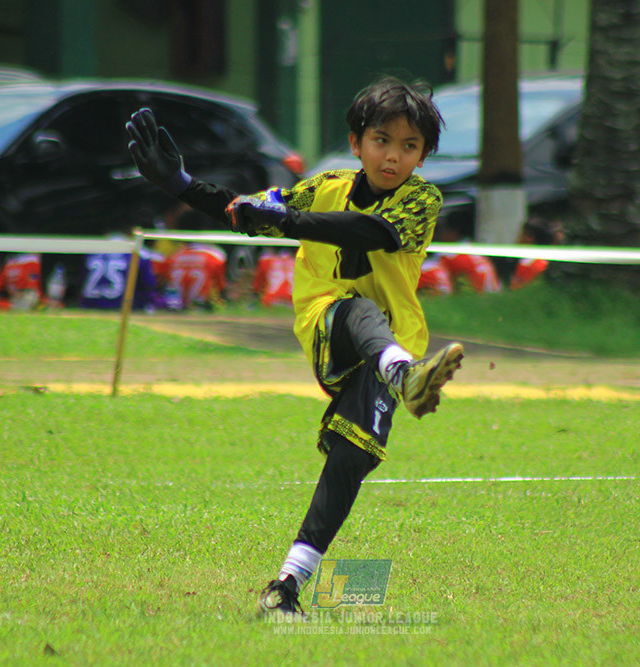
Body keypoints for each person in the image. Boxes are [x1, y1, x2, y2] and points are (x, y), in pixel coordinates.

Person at [126, 76, 465, 618]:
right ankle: (405, 374)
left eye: (409, 146)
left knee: (351, 458)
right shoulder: (322, 185)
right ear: (356, 143)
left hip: (388, 346)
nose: (394, 156)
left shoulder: (422, 198)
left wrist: (287, 219)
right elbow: (243, 211)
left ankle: (285, 586)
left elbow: (368, 231)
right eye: (382, 140)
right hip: (330, 329)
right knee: (357, 307)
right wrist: (180, 182)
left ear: (423, 155)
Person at [162, 242, 228, 310]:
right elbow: (220, 285)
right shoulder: (215, 256)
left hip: (173, 304)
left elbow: (164, 279)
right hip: (201, 304)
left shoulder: (173, 256)